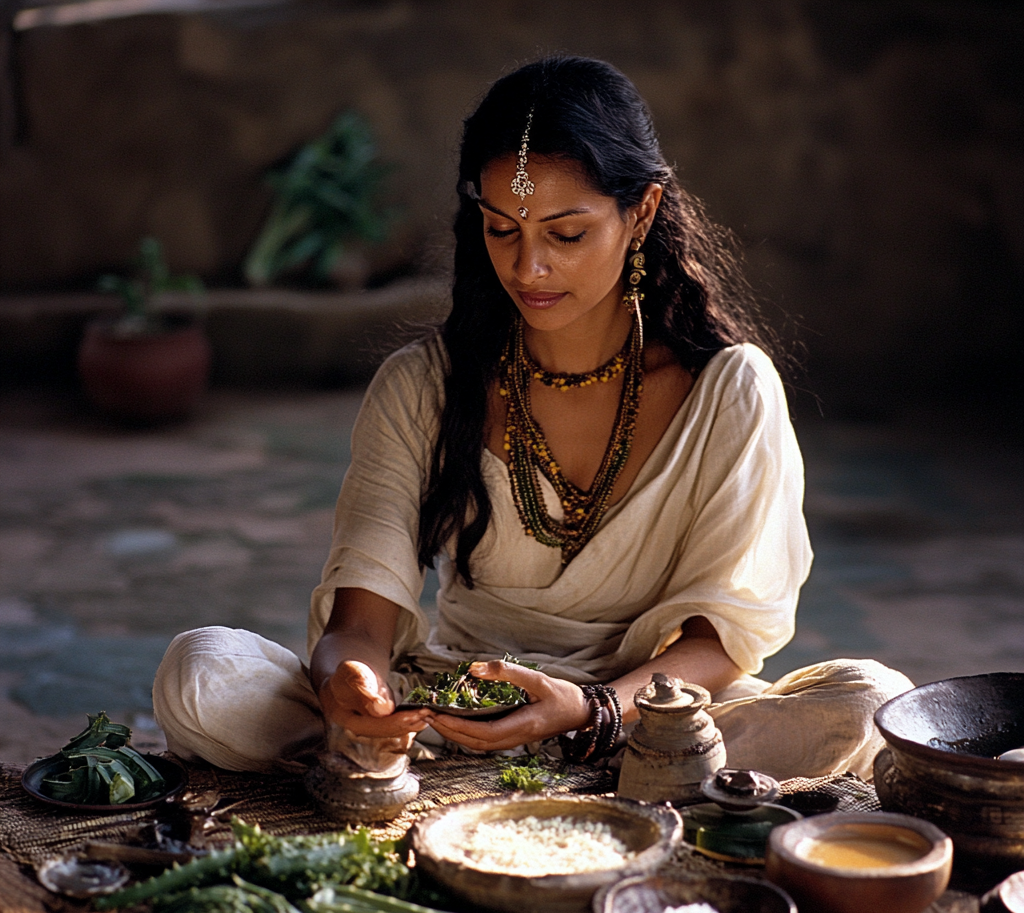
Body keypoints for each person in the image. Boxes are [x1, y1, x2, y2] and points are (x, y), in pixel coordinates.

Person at [154, 56, 911, 782]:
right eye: (502, 229)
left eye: (567, 233)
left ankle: (536, 770)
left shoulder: (730, 389)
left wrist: (590, 711)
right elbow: (360, 622)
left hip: (633, 714)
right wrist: (350, 684)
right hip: (449, 703)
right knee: (201, 672)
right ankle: (515, 770)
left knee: (868, 702)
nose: (527, 268)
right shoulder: (422, 385)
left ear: (640, 210)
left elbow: (719, 644)